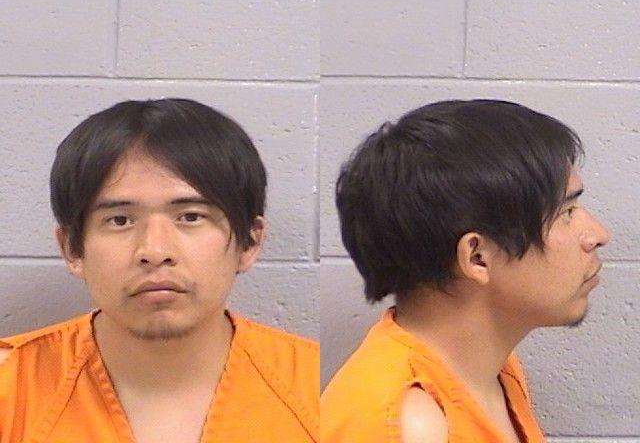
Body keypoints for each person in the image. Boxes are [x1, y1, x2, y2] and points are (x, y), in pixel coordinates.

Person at [0, 99, 319, 443]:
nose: (155, 251)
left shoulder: (314, 388)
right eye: (119, 220)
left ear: (249, 243)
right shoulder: (11, 388)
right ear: (72, 249)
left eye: (191, 217)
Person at [321, 99, 610, 443]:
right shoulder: (411, 426)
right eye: (566, 213)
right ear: (477, 258)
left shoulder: (489, 369)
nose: (598, 235)